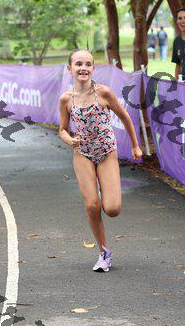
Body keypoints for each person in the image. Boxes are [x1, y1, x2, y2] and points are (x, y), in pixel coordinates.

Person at [58, 49, 142, 272]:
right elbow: (62, 129)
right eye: (78, 64)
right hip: (82, 154)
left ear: (93, 68)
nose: (83, 68)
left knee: (112, 209)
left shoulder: (103, 93)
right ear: (70, 69)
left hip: (106, 152)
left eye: (88, 64)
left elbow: (125, 117)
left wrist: (135, 145)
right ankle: (104, 252)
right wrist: (69, 139)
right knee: (92, 205)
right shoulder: (66, 99)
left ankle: (108, 187)